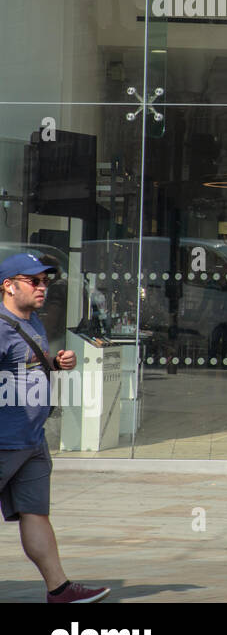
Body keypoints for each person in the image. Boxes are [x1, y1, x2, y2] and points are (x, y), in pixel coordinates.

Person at [0, 252, 109, 602]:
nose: (42, 287)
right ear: (8, 285)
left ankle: (59, 589)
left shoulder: (33, 322)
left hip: (32, 440)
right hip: (4, 440)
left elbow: (27, 362)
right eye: (34, 281)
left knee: (35, 513)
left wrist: (56, 362)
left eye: (46, 281)